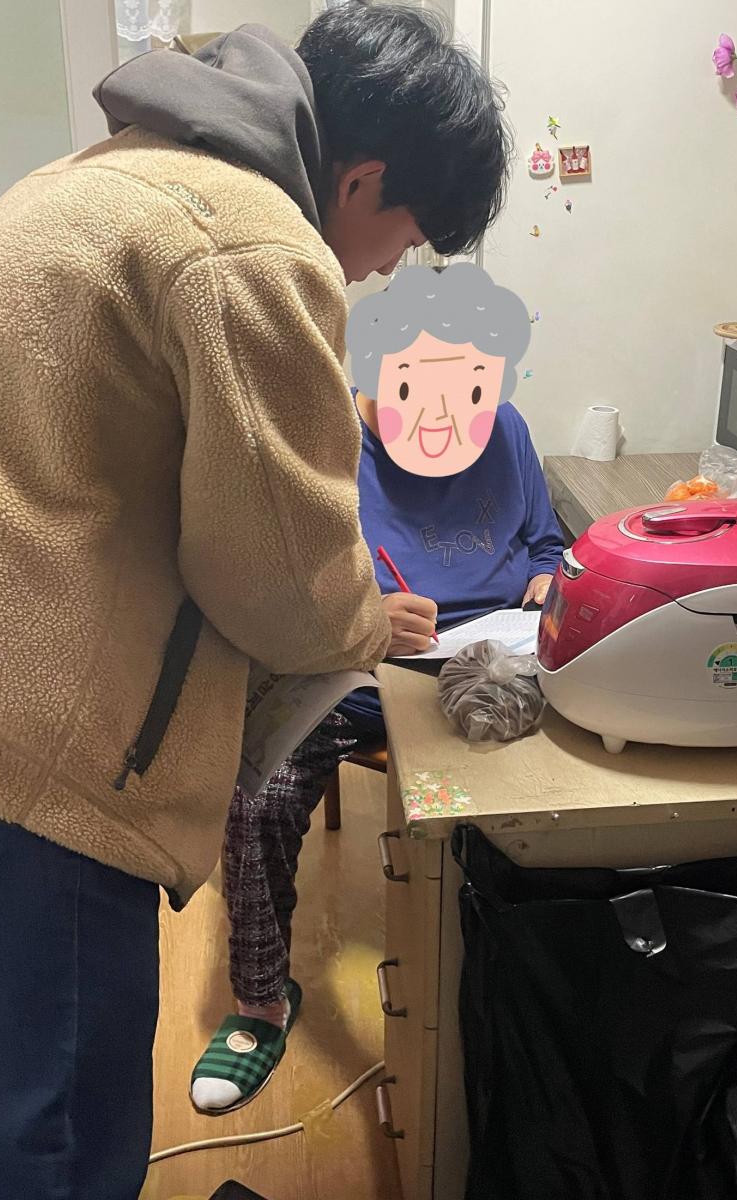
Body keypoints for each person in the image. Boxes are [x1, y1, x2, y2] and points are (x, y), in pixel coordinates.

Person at [0, 8, 508, 1198]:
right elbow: (283, 587)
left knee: (19, 1101)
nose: (383, 269)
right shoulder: (252, 245)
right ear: (362, 177)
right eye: (406, 236)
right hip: (7, 757)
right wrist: (367, 622)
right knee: (63, 1143)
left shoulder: (102, 175)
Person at [191, 263, 563, 1113]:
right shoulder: (319, 444)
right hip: (352, 675)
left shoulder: (504, 427)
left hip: (493, 660)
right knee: (255, 797)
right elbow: (265, 590)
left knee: (577, 776)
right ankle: (260, 1002)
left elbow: (545, 541)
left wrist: (546, 584)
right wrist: (358, 617)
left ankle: (522, 971)